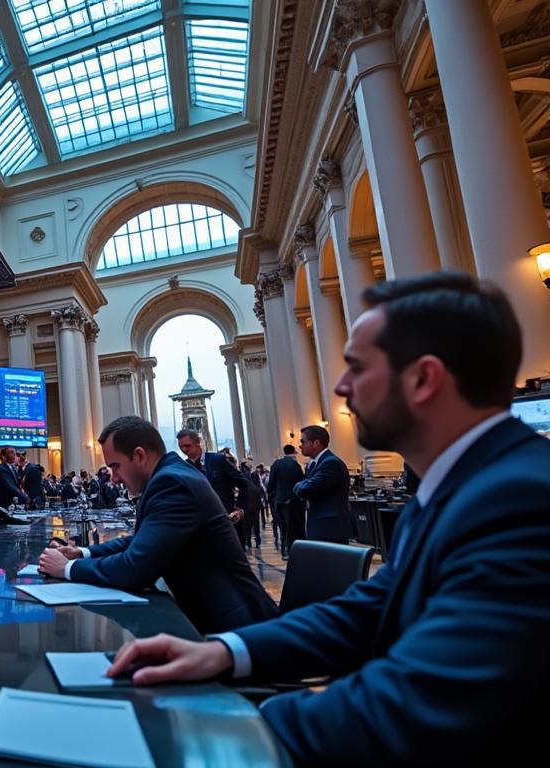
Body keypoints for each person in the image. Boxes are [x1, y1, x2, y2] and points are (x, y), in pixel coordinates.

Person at [106, 273, 550, 765]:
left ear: (424, 379)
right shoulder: (464, 485)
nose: (341, 386)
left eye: (357, 367)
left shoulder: (520, 501)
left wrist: (224, 729)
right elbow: (367, 610)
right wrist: (224, 651)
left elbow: (425, 699)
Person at [39, 417, 278, 634]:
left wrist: (67, 568)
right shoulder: (170, 475)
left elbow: (135, 569)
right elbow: (142, 541)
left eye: (115, 466)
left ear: (140, 455)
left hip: (237, 631)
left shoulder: (172, 483)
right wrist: (82, 553)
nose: (114, 478)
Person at [293, 425, 352, 544]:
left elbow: (306, 489)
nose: (300, 446)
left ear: (316, 443)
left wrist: (298, 485)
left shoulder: (330, 463)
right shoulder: (314, 464)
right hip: (320, 527)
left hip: (330, 529)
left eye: (303, 441)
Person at [177, 429, 248, 524]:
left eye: (187, 446)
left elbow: (243, 483)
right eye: (181, 447)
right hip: (200, 523)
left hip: (226, 519)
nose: (184, 450)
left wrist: (239, 509)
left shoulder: (218, 460)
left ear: (197, 443)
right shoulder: (184, 467)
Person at [265, 444, 304, 555]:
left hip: (278, 500)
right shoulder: (295, 465)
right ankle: (291, 550)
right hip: (292, 501)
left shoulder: (276, 464)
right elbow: (301, 482)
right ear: (293, 452)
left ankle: (283, 549)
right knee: (292, 527)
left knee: (282, 526)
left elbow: (271, 484)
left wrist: (273, 497)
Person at [237, 460, 266, 549]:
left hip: (247, 502)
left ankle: (249, 541)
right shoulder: (253, 476)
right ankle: (257, 540)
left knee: (247, 523)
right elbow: (261, 488)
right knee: (256, 522)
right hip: (255, 501)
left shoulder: (241, 475)